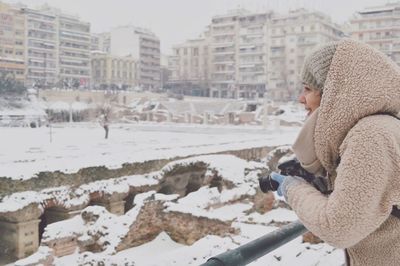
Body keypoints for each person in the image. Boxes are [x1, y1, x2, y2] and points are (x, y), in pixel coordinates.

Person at [271, 39, 400, 266]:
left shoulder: (370, 136)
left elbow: (339, 227)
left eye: (308, 89)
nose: (301, 99)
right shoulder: (383, 128)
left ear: (335, 94)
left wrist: (292, 187)